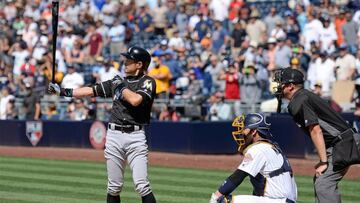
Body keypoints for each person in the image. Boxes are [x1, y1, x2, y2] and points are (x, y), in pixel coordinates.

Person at [48, 46, 157, 203]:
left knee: (142, 185)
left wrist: (120, 86)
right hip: (114, 135)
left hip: (136, 136)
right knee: (114, 186)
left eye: (129, 60)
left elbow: (135, 100)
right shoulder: (119, 81)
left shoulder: (147, 82)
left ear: (139, 64)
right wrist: (63, 92)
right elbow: (91, 90)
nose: (125, 62)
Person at [273, 67, 356, 203]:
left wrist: (324, 161)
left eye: (281, 83)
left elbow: (316, 130)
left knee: (323, 184)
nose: (278, 87)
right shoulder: (303, 96)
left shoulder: (299, 100)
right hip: (344, 142)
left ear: (291, 86)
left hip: (343, 144)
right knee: (321, 181)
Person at [209, 113, 297, 203]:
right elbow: (260, 187)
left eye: (244, 129)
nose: (241, 132)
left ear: (254, 131)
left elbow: (238, 176)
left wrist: (216, 195)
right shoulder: (270, 148)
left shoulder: (258, 149)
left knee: (223, 201)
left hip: (278, 201)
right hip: (282, 200)